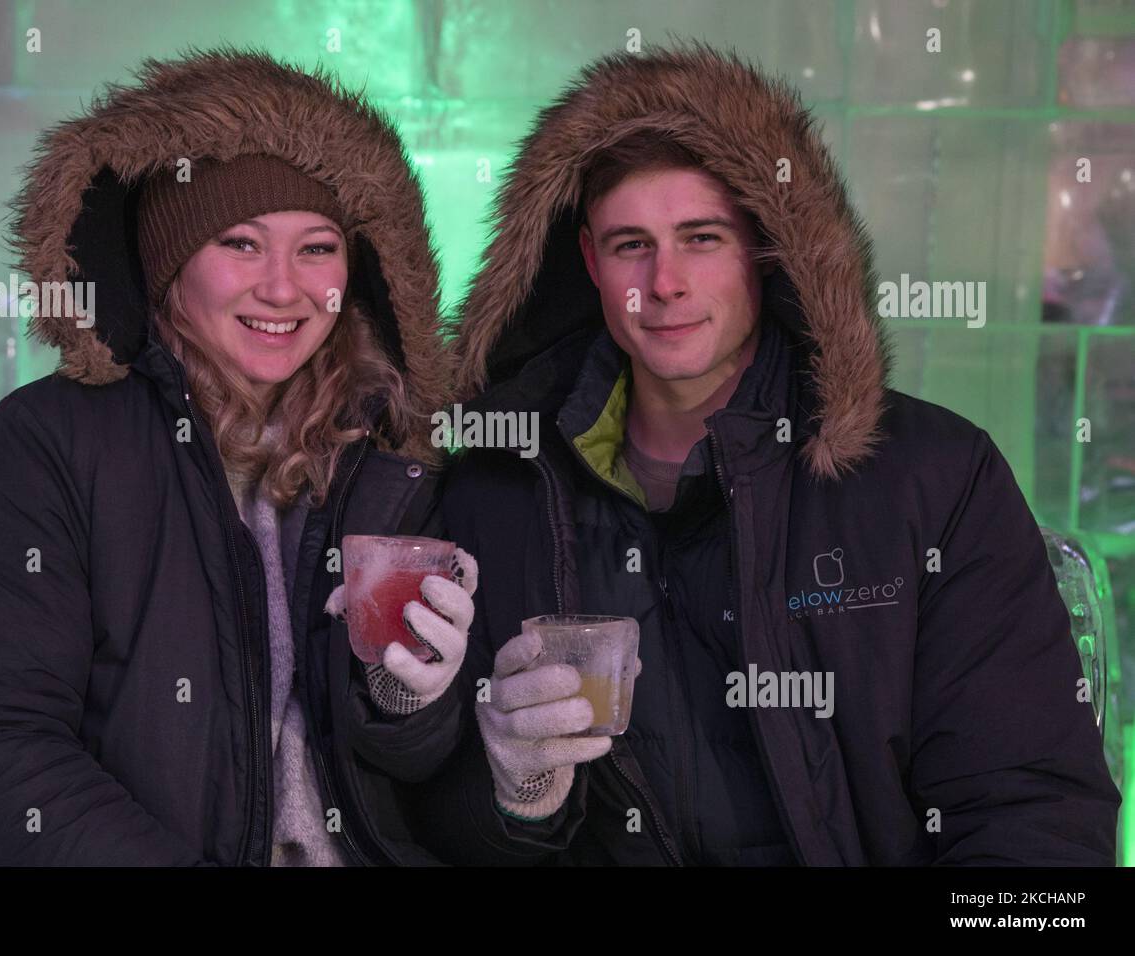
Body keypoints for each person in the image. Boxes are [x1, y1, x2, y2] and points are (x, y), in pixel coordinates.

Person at [419, 43, 1121, 865]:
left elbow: (1033, 814)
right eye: (629, 245)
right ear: (588, 263)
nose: (666, 282)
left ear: (766, 246)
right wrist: (517, 799)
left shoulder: (929, 478)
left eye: (701, 238)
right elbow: (419, 823)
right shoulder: (497, 494)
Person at [0, 48, 475, 866]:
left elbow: (431, 785)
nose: (283, 289)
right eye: (241, 244)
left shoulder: (388, 456)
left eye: (317, 248)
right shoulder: (56, 442)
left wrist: (410, 698)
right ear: (171, 267)